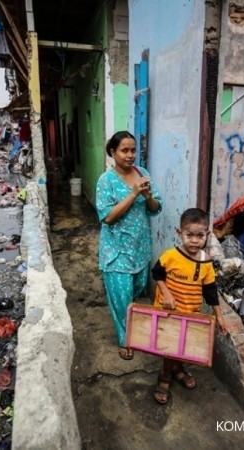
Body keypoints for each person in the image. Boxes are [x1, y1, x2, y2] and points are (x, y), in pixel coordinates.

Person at [96, 131, 162, 361]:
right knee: (121, 298)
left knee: (136, 291)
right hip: (116, 251)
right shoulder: (106, 181)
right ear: (113, 152)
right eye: (125, 150)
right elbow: (107, 217)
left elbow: (154, 208)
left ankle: (131, 325)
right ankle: (126, 339)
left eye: (133, 150)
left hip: (140, 249)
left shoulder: (142, 173)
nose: (130, 155)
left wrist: (148, 196)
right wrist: (134, 194)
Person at [151, 207, 227, 404]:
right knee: (170, 346)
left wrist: (219, 316)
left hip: (190, 312)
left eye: (199, 235)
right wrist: (166, 293)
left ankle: (177, 369)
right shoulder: (171, 256)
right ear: (179, 233)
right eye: (189, 235)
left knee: (183, 345)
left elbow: (210, 290)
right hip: (168, 312)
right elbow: (157, 273)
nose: (194, 240)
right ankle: (165, 377)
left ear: (207, 235)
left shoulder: (206, 262)